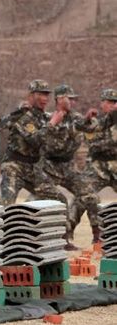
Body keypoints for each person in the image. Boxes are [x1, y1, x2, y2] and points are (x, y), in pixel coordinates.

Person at [41, 84, 98, 248]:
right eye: (69, 98)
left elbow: (89, 126)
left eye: (74, 99)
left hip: (67, 166)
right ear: (59, 99)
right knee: (39, 200)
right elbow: (41, 138)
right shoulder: (47, 118)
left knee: (89, 195)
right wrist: (52, 123)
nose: (73, 102)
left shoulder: (75, 117)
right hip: (48, 166)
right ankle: (57, 238)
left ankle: (97, 236)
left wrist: (89, 118)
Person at [79, 88, 117, 243]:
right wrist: (87, 120)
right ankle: (95, 235)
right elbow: (89, 139)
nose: (113, 105)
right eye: (110, 102)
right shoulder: (99, 122)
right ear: (103, 104)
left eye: (115, 103)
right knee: (85, 195)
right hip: (98, 166)